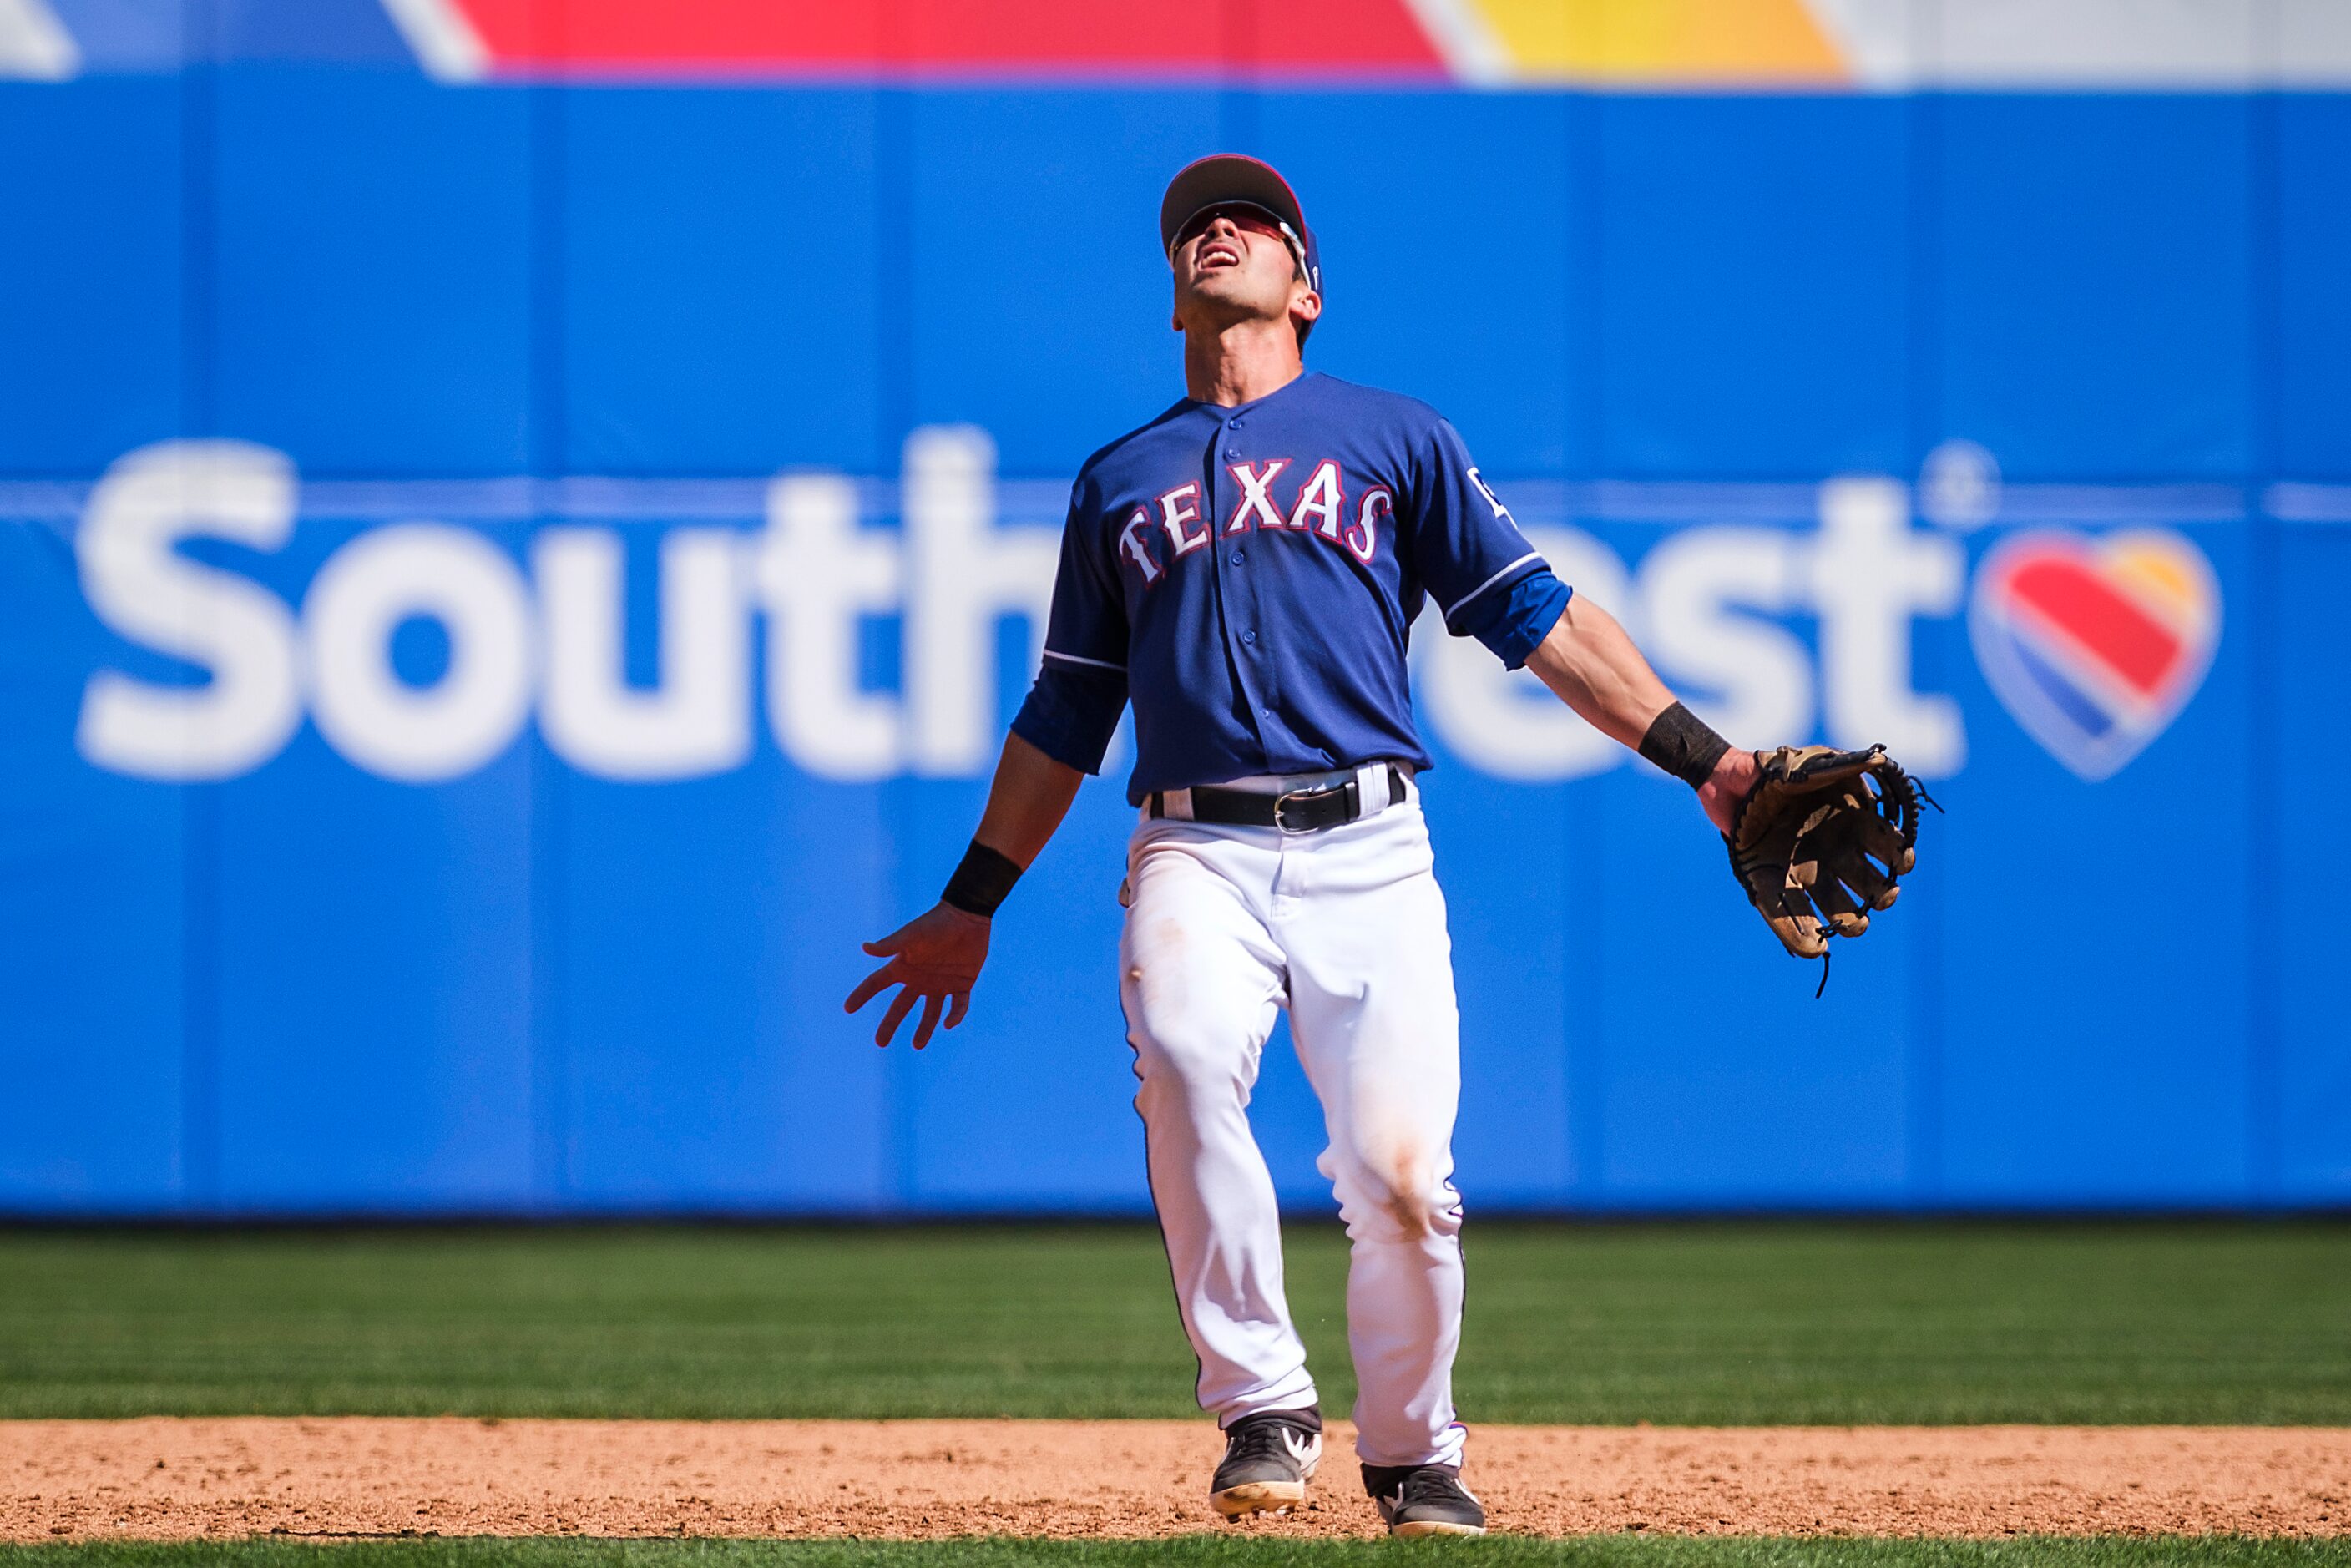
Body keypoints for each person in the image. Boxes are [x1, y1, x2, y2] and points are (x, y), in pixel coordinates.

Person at [847, 154, 1760, 1539]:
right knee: (1187, 1055)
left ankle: (1411, 1449)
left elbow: (1545, 620)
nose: (1218, 231)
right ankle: (1262, 1402)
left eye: (1252, 221)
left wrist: (1714, 760)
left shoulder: (1393, 437)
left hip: (1371, 848)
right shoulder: (1120, 480)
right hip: (1193, 849)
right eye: (1194, 229)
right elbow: (1066, 711)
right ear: (1174, 298)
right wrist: (973, 899)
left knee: (1403, 1178)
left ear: (1306, 287)